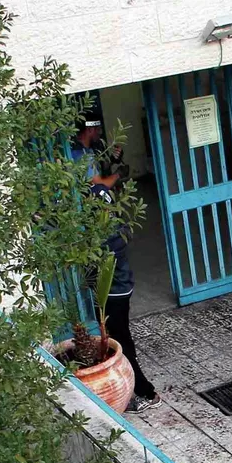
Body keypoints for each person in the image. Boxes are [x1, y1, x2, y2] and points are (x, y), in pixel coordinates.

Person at [89, 162, 160, 412]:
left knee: (122, 342)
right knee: (121, 339)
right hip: (120, 289)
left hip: (114, 293)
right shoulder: (115, 225)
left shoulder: (106, 236)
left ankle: (145, 392)